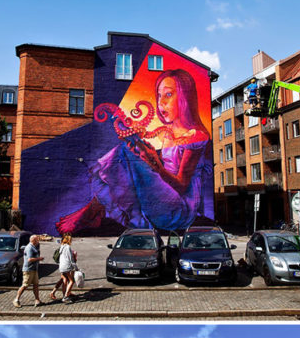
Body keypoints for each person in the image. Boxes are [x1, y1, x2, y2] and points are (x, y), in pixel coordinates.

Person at [56, 68, 212, 234]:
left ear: (185, 97)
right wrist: (148, 156)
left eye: (168, 95)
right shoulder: (168, 132)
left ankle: (92, 211)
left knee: (127, 152)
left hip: (179, 209)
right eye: (159, 96)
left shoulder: (196, 136)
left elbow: (181, 186)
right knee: (128, 151)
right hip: (164, 195)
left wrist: (156, 165)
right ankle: (94, 209)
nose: (161, 103)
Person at [13, 234, 44, 308]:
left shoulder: (34, 247)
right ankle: (16, 299)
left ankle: (37, 300)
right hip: (28, 270)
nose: (38, 241)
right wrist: (39, 259)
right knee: (25, 285)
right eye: (37, 239)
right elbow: (29, 259)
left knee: (36, 285)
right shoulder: (29, 247)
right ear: (34, 240)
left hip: (34, 269)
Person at [49, 234, 77, 303]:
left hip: (61, 266)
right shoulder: (68, 247)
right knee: (71, 281)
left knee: (64, 279)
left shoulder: (62, 247)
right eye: (71, 239)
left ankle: (65, 294)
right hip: (66, 266)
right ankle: (66, 296)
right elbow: (71, 259)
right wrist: (76, 267)